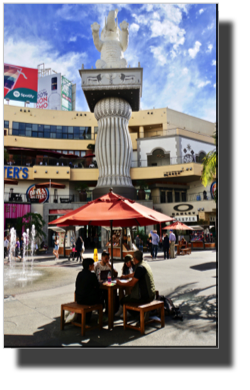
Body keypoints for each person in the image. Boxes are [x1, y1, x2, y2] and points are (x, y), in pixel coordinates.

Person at [116, 251, 156, 321]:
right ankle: (136, 312)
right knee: (129, 297)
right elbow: (135, 274)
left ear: (135, 258)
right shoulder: (144, 264)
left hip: (145, 296)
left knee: (123, 300)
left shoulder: (140, 267)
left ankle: (137, 313)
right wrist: (125, 276)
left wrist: (120, 284)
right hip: (152, 293)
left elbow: (132, 283)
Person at [75, 258, 102, 324]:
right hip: (88, 300)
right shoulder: (92, 275)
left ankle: (85, 319)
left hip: (79, 298)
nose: (93, 266)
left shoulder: (80, 274)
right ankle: (101, 317)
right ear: (90, 266)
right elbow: (97, 286)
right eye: (93, 264)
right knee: (101, 296)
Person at [94, 251, 118, 319]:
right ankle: (100, 310)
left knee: (110, 294)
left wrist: (111, 266)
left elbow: (116, 274)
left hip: (108, 284)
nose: (107, 260)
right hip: (99, 285)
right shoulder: (97, 265)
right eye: (106, 258)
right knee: (100, 295)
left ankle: (109, 311)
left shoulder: (110, 264)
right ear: (102, 258)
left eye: (108, 258)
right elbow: (93, 275)